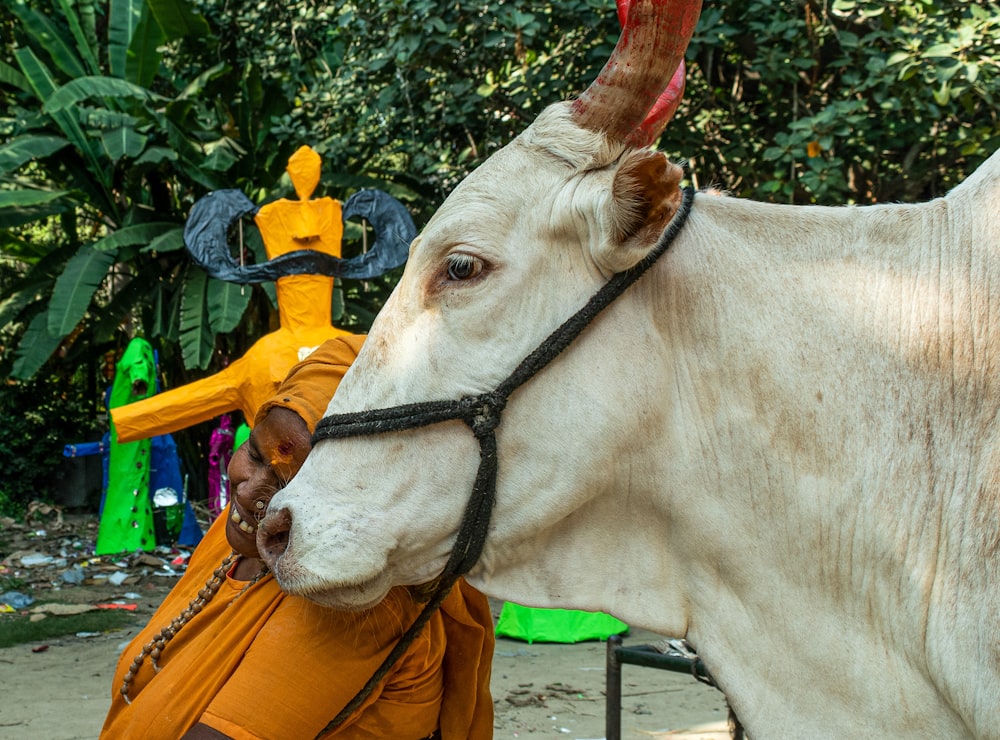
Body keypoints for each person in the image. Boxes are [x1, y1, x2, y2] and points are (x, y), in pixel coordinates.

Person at [100, 334, 495, 739]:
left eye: (292, 485)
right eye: (254, 453)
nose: (248, 490)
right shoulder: (235, 533)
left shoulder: (357, 601)